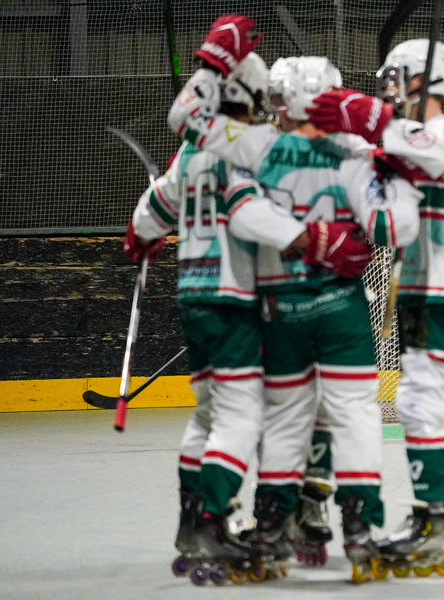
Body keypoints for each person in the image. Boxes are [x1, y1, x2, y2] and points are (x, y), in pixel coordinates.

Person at [166, 25, 424, 583]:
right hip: (340, 307)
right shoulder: (355, 153)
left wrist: (211, 66)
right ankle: (358, 530)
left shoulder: (255, 145)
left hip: (280, 310)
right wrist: (392, 146)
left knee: (283, 419)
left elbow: (189, 126)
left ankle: (269, 531)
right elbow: (396, 227)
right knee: (354, 414)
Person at [128, 45, 370, 585]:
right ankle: (222, 520)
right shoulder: (247, 148)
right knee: (255, 416)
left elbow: (157, 207)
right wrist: (312, 237)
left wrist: (141, 235)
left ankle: (198, 520)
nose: (271, 109)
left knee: (210, 416)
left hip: (196, 292)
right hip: (241, 296)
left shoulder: (195, 147)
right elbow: (251, 209)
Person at [305, 38, 444, 576]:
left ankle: (433, 521)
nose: (389, 89)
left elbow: (436, 152)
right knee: (434, 403)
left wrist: (377, 124)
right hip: (429, 282)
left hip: (440, 283)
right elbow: (408, 164)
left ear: (423, 78)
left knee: (420, 402)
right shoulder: (420, 140)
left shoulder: (442, 131)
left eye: (397, 76)